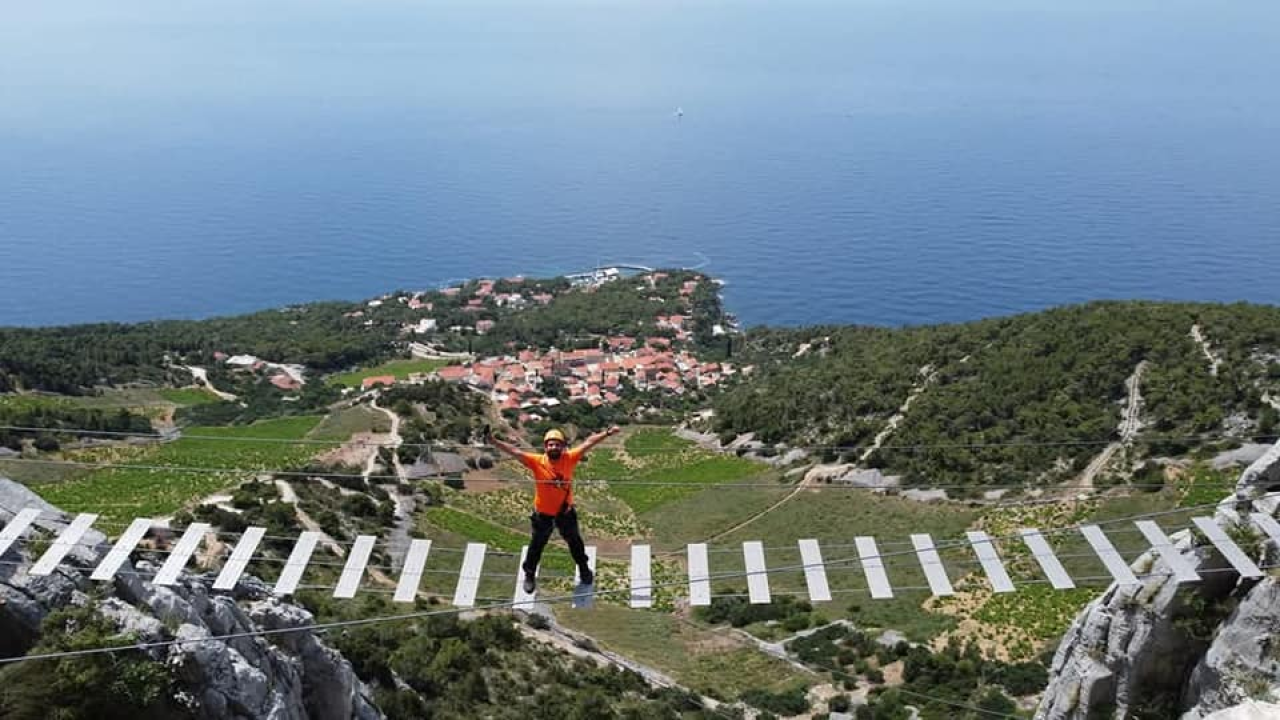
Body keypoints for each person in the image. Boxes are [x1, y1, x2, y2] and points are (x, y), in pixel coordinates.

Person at [489, 426, 619, 593]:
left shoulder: (569, 458)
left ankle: (584, 569)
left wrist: (607, 433)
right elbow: (515, 451)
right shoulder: (537, 462)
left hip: (565, 512)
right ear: (545, 447)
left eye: (557, 444)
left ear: (562, 446)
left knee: (575, 543)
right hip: (543, 514)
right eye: (551, 445)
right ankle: (529, 574)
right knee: (537, 545)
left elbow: (589, 443)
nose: (554, 447)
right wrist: (493, 441)